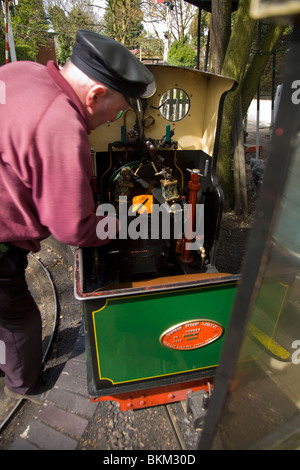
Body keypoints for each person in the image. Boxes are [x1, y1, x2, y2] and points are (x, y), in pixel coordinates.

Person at [0, 29, 154, 403]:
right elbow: (73, 226)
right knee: (16, 318)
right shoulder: (63, 125)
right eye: (115, 111)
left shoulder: (20, 71)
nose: (110, 121)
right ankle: (25, 384)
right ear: (95, 94)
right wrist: (123, 224)